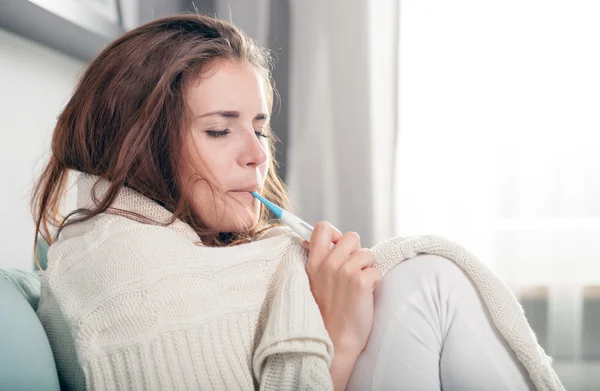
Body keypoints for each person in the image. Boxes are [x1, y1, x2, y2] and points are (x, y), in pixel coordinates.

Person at [31, 14, 563, 391]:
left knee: (426, 283)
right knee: (429, 285)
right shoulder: (123, 266)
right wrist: (340, 334)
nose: (255, 156)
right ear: (137, 142)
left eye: (260, 131)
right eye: (220, 131)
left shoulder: (188, 243)